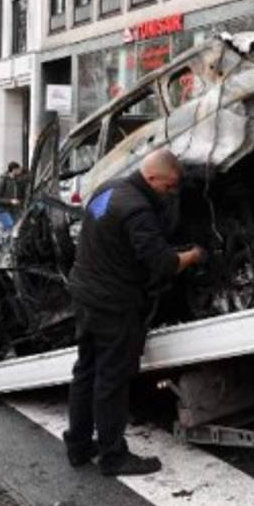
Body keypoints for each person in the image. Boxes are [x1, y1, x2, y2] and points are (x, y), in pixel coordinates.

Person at [65, 149, 206, 476]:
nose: (170, 193)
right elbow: (163, 264)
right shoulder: (138, 210)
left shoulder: (107, 190)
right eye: (168, 186)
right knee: (111, 379)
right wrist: (194, 255)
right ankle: (114, 456)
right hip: (113, 304)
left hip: (85, 293)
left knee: (85, 371)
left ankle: (79, 446)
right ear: (152, 177)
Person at [0, 161, 25, 234]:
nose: (20, 171)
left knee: (15, 228)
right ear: (14, 169)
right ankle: (5, 243)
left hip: (14, 210)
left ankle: (8, 243)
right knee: (9, 227)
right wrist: (10, 201)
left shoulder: (16, 180)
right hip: (3, 209)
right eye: (19, 169)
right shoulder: (2, 181)